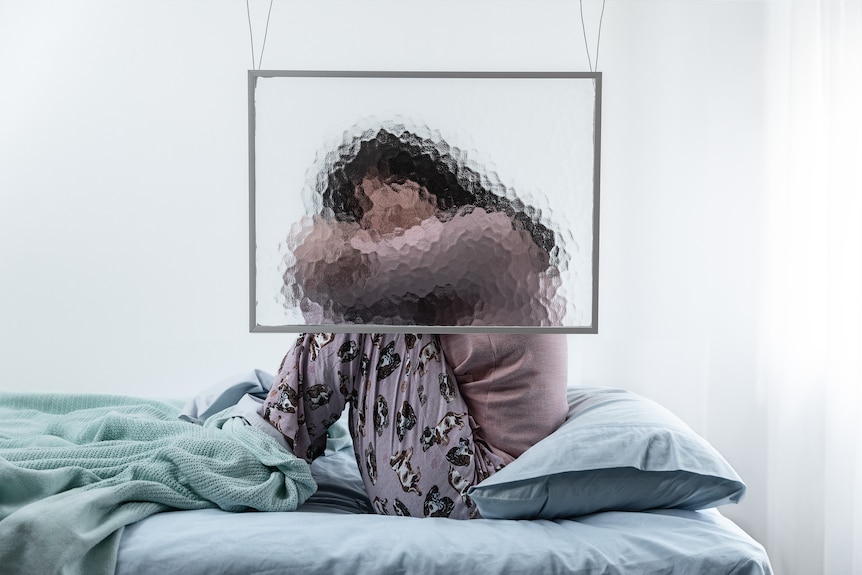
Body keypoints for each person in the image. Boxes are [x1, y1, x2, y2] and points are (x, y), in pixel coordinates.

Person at [261, 332, 568, 519]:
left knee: (366, 306)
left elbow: (334, 267)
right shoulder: (511, 251)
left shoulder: (470, 244)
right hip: (509, 476)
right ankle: (276, 433)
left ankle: (270, 448)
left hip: (474, 489)